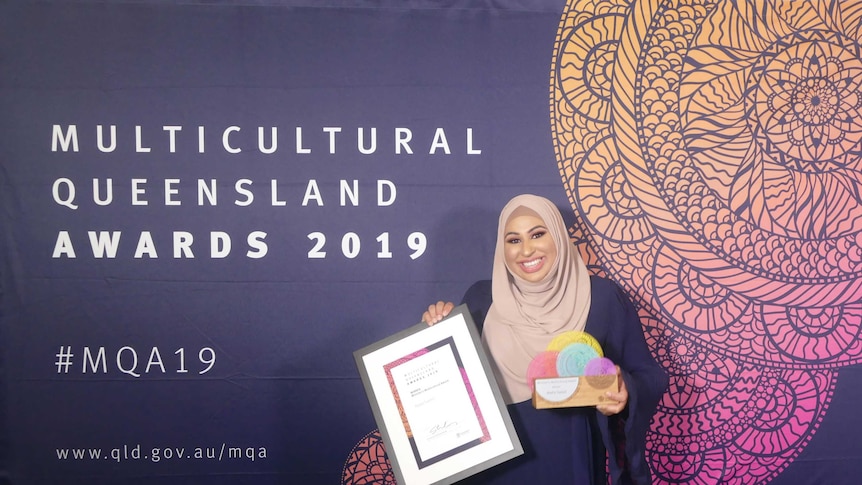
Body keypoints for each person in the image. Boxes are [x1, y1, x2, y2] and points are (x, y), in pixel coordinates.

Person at [422, 194, 668, 485]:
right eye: (513, 240)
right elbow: (453, 389)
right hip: (489, 468)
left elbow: (649, 375)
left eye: (537, 234)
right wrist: (438, 333)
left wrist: (625, 389)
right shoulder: (479, 299)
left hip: (568, 462)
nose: (526, 250)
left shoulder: (602, 298)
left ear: (559, 237)